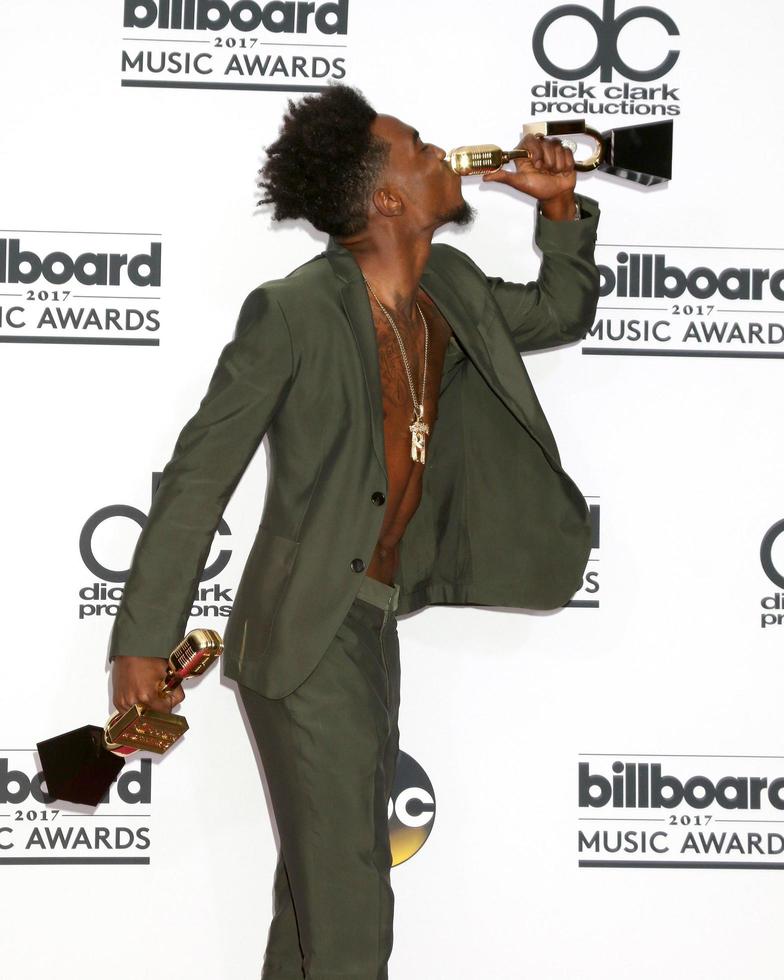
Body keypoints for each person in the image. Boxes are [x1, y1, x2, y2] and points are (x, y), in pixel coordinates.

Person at [108, 83, 600, 979]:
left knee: (318, 902)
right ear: (386, 200)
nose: (440, 153)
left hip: (374, 623)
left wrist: (562, 209)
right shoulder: (291, 312)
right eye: (416, 146)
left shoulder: (448, 292)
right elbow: (198, 476)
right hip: (302, 636)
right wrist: (142, 641)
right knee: (352, 904)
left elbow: (561, 312)